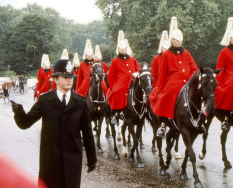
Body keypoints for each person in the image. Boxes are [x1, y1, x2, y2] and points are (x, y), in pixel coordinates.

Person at [11, 59, 97, 188]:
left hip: (72, 161)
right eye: (65, 77)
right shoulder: (45, 101)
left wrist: (92, 159)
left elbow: (87, 132)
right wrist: (19, 112)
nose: (69, 80)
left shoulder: (80, 102)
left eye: (71, 77)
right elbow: (25, 123)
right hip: (50, 161)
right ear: (55, 79)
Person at [150, 17, 198, 137]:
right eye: (177, 41)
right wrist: (160, 89)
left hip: (187, 81)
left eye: (180, 41)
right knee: (168, 95)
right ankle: (163, 123)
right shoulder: (166, 55)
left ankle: (200, 120)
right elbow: (161, 74)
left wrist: (192, 79)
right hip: (173, 82)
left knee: (198, 95)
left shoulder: (186, 53)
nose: (179, 43)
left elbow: (194, 69)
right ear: (172, 41)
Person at [107, 31, 141, 114]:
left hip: (133, 81)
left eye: (124, 48)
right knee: (116, 92)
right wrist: (112, 87)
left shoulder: (132, 59)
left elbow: (138, 69)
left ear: (127, 48)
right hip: (121, 83)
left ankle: (145, 110)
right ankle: (116, 112)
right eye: (121, 49)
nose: (123, 50)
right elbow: (111, 76)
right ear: (118, 49)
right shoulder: (115, 61)